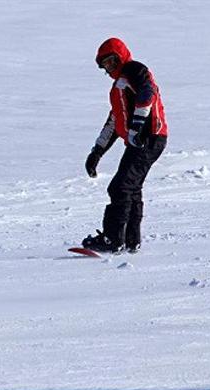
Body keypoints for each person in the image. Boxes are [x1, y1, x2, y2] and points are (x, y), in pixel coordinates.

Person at [83, 37, 168, 254]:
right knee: (131, 188)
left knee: (120, 187)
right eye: (105, 65)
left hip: (149, 137)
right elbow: (114, 121)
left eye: (112, 61)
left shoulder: (134, 69)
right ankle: (131, 241)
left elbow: (147, 93)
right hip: (141, 140)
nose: (110, 67)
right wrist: (97, 152)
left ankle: (112, 239)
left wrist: (138, 125)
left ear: (121, 55)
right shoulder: (119, 85)